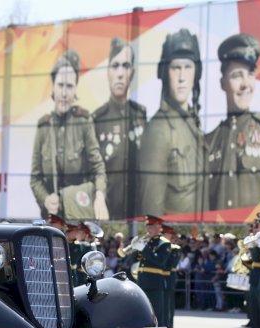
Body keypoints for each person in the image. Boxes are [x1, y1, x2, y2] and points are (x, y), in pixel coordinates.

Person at [206, 34, 260, 211]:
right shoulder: (209, 141)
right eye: (236, 76)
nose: (245, 84)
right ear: (223, 83)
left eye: (250, 74)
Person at [31, 49, 109, 221]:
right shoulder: (43, 126)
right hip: (51, 219)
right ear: (53, 86)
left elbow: (98, 168)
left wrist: (99, 196)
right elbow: (35, 177)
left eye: (69, 86)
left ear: (75, 90)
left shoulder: (84, 122)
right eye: (60, 85)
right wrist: (45, 199)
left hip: (78, 218)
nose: (64, 93)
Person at [137, 29, 206, 217]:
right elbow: (152, 206)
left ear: (196, 73)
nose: (182, 77)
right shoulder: (159, 130)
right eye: (176, 68)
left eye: (188, 67)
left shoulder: (192, 124)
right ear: (166, 73)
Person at [93, 37, 147, 220]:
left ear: (132, 72)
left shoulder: (141, 114)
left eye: (125, 66)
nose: (120, 73)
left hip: (137, 211)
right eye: (115, 66)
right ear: (108, 72)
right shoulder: (97, 119)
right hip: (108, 212)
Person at [121, 215, 172, 328]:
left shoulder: (164, 243)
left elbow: (160, 261)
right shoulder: (148, 242)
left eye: (151, 226)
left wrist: (144, 249)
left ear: (158, 228)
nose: (148, 229)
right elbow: (136, 259)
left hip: (155, 282)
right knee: (147, 315)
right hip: (143, 281)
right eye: (147, 226)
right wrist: (135, 248)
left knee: (158, 315)